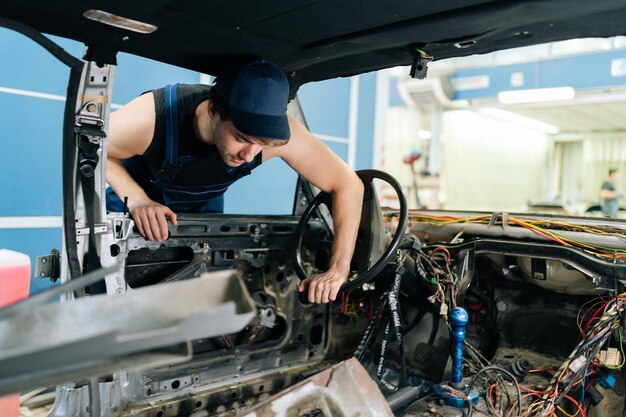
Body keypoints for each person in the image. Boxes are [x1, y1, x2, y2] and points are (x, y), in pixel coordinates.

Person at [105, 58, 364, 304]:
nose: (249, 154)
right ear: (213, 110)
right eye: (241, 137)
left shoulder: (279, 134)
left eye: (262, 144)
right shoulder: (153, 117)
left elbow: (349, 184)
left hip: (202, 214)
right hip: (134, 209)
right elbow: (90, 147)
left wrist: (338, 269)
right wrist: (137, 199)